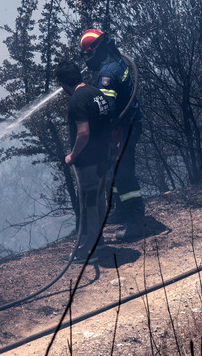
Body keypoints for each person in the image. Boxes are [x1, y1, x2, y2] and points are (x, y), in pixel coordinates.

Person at [79, 29, 146, 242]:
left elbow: (107, 108)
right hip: (129, 124)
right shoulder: (118, 62)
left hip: (122, 128)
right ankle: (123, 209)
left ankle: (135, 219)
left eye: (89, 56)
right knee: (116, 171)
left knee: (123, 171)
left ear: (97, 52)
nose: (89, 61)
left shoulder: (107, 73)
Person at [56, 60, 114, 263]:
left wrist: (72, 155)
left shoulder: (77, 100)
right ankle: (100, 241)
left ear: (63, 83)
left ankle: (90, 250)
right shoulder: (96, 93)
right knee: (98, 201)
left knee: (89, 204)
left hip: (88, 161)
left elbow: (83, 133)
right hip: (102, 158)